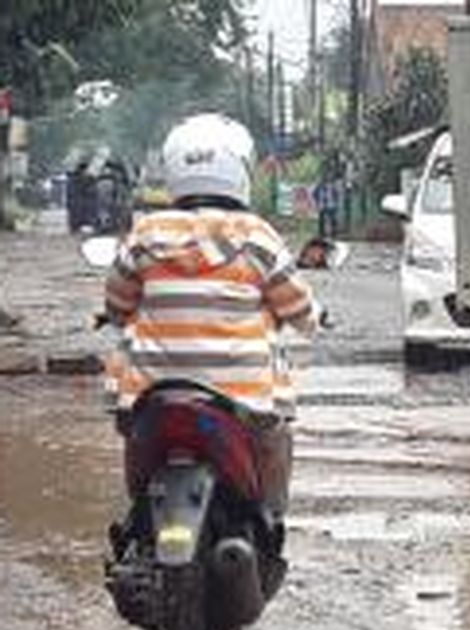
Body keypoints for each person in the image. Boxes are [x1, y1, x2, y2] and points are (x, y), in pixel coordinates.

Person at [102, 113, 320, 558]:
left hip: (151, 398)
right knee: (276, 436)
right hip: (241, 403)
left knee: (128, 429)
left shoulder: (145, 234)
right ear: (239, 168)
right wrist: (313, 317)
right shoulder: (258, 237)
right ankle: (269, 525)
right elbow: (298, 311)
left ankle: (138, 522)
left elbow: (117, 305)